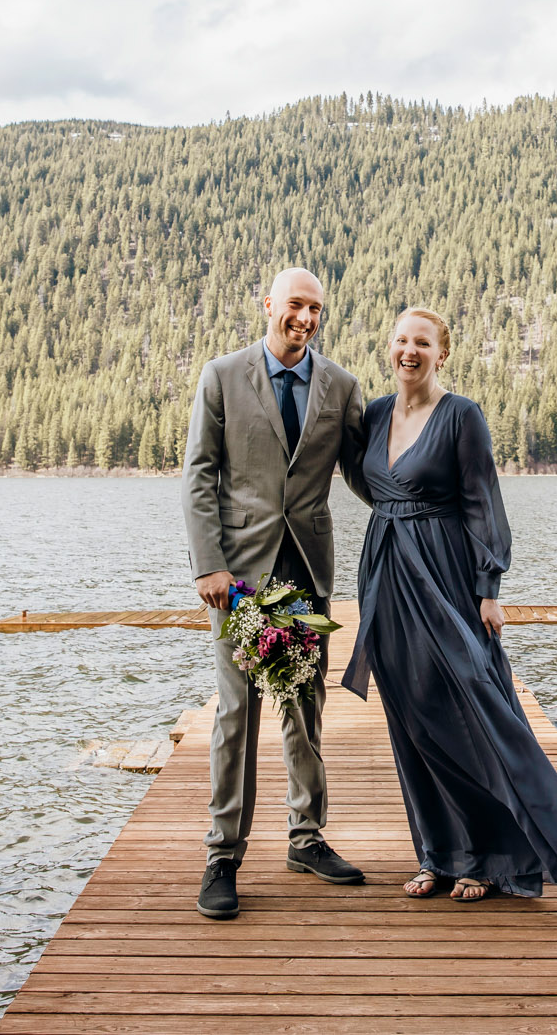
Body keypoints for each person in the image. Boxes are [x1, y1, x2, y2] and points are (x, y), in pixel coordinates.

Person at [343, 307, 557, 901]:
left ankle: (489, 858)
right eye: (400, 341)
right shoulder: (377, 415)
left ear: (442, 354)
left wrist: (489, 589)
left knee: (466, 709)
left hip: (446, 578)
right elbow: (369, 483)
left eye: (422, 343)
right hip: (385, 576)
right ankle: (437, 856)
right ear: (388, 349)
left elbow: (483, 504)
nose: (409, 351)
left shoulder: (463, 416)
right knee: (411, 717)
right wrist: (399, 516)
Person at [182, 266, 369, 920]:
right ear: (269, 305)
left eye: (317, 308)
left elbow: (366, 475)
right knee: (238, 712)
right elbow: (199, 476)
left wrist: (426, 497)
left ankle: (306, 837)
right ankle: (223, 855)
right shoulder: (222, 376)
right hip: (239, 577)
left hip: (305, 574)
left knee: (304, 706)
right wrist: (209, 564)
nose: (307, 318)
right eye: (296, 305)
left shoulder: (342, 387)